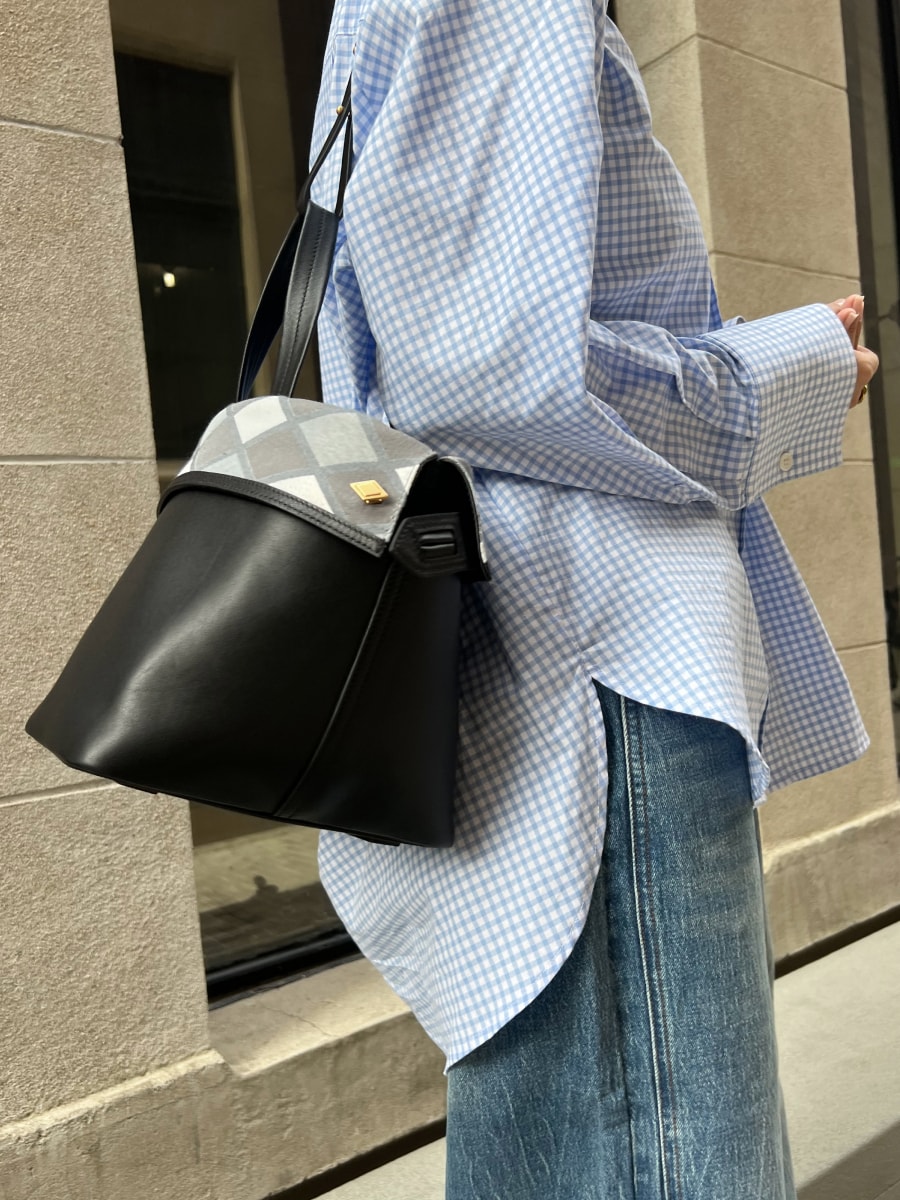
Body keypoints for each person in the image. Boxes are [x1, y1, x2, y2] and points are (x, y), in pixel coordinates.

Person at [307, 2, 880, 1196]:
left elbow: (469, 341)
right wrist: (777, 379)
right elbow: (485, 371)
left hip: (555, 659)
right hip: (596, 673)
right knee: (662, 1153)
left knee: (580, 1144)